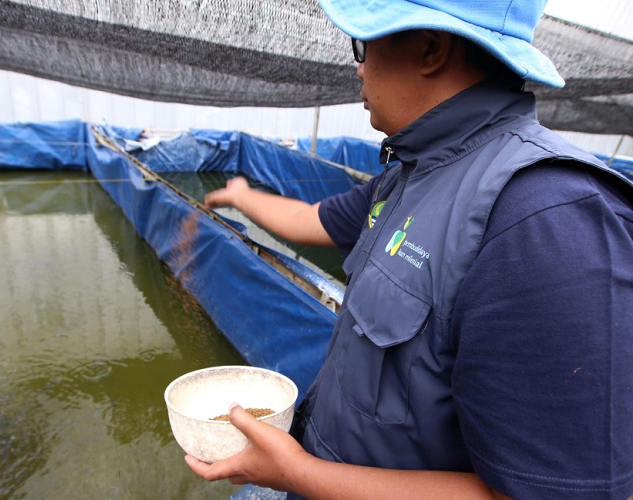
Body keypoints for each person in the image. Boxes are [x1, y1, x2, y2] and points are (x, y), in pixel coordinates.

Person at [185, 0, 633, 499]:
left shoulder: (546, 216)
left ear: (430, 48)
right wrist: (242, 196)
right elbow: (310, 220)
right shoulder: (408, 176)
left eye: (364, 43)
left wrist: (299, 474)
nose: (358, 66)